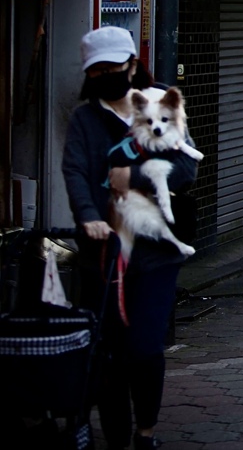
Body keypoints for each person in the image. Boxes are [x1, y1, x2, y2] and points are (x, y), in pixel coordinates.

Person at [63, 26, 198, 450]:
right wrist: (87, 217)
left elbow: (187, 169)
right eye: (97, 70)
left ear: (133, 66)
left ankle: (146, 432)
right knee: (109, 352)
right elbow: (75, 173)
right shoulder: (85, 118)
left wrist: (133, 176)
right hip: (103, 253)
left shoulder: (160, 103)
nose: (106, 76)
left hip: (155, 253)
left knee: (144, 347)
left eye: (114, 68)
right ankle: (118, 435)